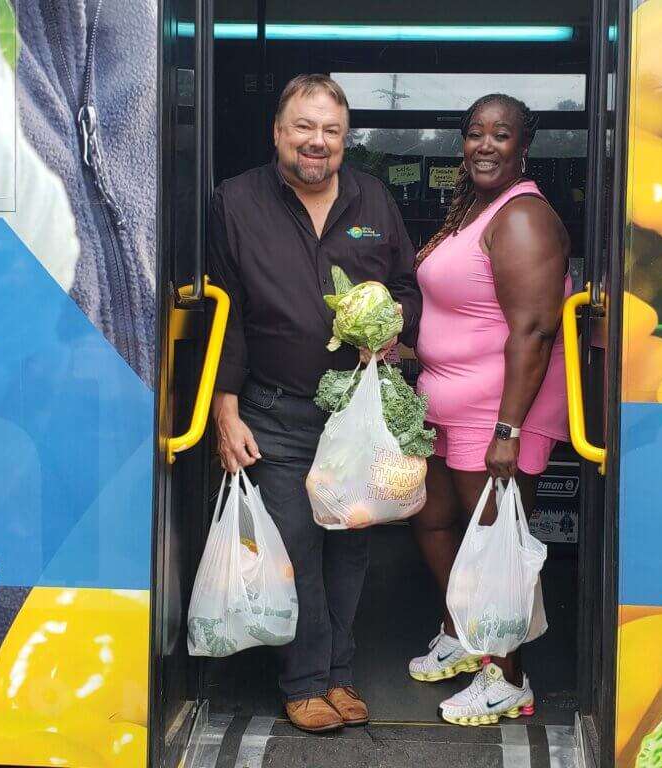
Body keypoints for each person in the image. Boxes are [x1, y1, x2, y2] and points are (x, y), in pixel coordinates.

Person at [208, 74, 421, 734]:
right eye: (304, 127)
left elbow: (409, 289)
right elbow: (227, 316)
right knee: (295, 546)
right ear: (278, 131)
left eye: (331, 131)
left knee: (349, 544)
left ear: (345, 138)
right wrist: (225, 409)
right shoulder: (235, 202)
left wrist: (391, 331)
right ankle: (303, 681)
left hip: (355, 412)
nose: (317, 142)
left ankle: (339, 674)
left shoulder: (373, 199)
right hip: (274, 410)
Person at [407, 94, 571, 725]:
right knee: (436, 520)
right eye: (474, 133)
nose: (484, 145)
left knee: (493, 547)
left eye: (500, 135)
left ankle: (507, 677)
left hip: (496, 414)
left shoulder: (524, 216)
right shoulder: (477, 211)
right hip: (449, 407)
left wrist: (508, 430)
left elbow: (533, 331)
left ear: (522, 145)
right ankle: (461, 633)